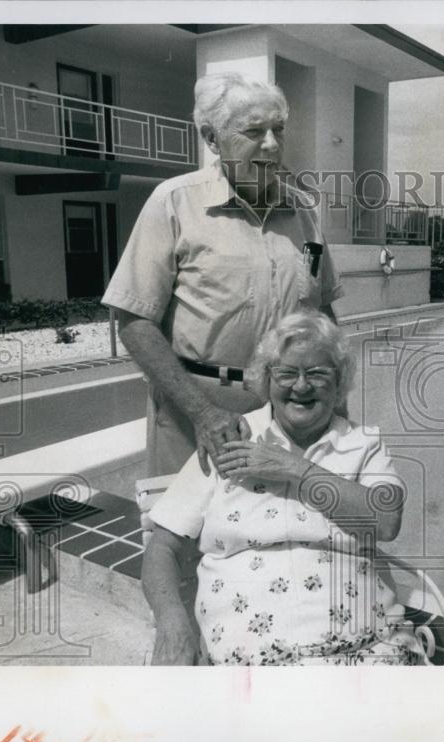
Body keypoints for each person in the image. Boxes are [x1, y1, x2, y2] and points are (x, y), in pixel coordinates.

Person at [141, 311, 424, 666]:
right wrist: (172, 621)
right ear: (266, 379)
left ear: (339, 384)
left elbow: (386, 521)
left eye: (318, 374)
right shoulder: (228, 439)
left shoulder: (362, 445)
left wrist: (295, 468)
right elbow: (162, 547)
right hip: (255, 646)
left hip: (367, 640)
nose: (301, 387)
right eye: (287, 373)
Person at [102, 72, 343, 477]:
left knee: (275, 532)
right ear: (212, 139)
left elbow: (322, 315)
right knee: (185, 534)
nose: (271, 144)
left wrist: (334, 397)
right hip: (194, 410)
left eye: (278, 130)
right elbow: (134, 321)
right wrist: (203, 414)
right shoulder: (174, 202)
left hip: (288, 408)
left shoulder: (303, 212)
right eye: (253, 131)